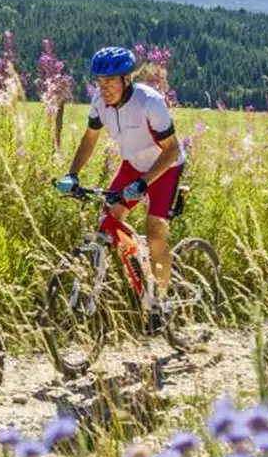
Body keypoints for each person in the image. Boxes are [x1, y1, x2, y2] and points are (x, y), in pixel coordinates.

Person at [55, 46, 184, 331]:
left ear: (127, 79)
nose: (105, 88)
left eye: (110, 81)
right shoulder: (99, 103)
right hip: (133, 165)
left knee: (154, 229)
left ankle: (160, 301)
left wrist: (143, 183)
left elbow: (172, 150)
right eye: (100, 82)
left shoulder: (149, 102)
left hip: (165, 165)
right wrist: (73, 175)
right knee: (109, 219)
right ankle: (137, 269)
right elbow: (89, 140)